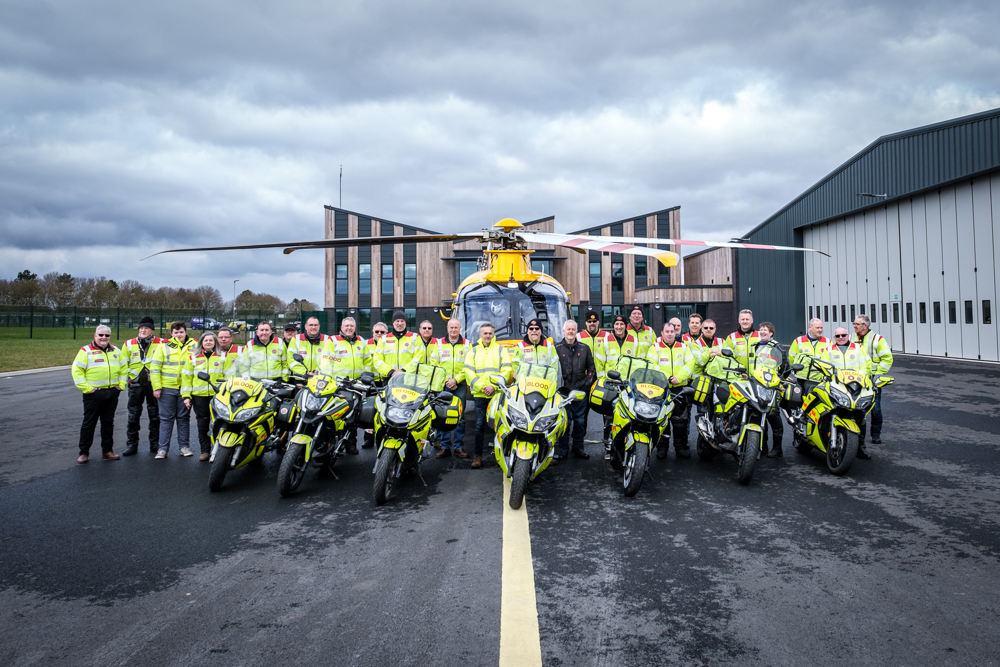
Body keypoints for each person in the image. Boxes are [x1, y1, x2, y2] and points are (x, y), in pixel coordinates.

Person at [71, 325, 127, 463]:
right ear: (95, 335)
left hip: (112, 393)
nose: (104, 338)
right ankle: (84, 453)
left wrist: (121, 385)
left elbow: (124, 368)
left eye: (106, 335)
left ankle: (107, 451)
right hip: (94, 394)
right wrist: (87, 388)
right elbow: (77, 370)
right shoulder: (86, 351)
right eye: (101, 335)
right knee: (89, 423)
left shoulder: (116, 351)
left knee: (108, 423)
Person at [464, 322, 512, 469]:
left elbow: (507, 370)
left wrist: (494, 386)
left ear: (493, 334)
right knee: (479, 425)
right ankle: (478, 456)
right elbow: (468, 371)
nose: (487, 336)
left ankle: (503, 455)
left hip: (497, 394)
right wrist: (483, 387)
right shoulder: (473, 351)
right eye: (485, 333)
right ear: (480, 335)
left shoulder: (501, 350)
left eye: (490, 333)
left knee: (501, 425)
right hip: (480, 394)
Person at [320, 317, 370, 454]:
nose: (349, 328)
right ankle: (333, 443)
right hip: (338, 386)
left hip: (356, 386)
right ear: (341, 327)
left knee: (353, 418)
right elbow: (325, 362)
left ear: (355, 327)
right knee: (336, 415)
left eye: (351, 326)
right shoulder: (333, 340)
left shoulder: (361, 341)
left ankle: (350, 445)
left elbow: (368, 361)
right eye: (346, 326)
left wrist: (367, 378)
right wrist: (330, 382)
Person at [646, 322, 693, 459]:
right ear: (662, 333)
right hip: (660, 389)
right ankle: (662, 448)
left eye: (672, 331)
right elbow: (651, 364)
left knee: (680, 421)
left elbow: (690, 364)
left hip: (679, 388)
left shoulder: (683, 347)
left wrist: (679, 378)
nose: (670, 334)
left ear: (676, 332)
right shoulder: (655, 348)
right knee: (662, 421)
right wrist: (666, 378)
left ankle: (681, 448)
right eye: (667, 331)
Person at [151, 321, 197, 459]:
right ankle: (163, 449)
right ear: (171, 334)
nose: (179, 335)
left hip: (186, 389)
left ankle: (184, 447)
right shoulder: (163, 346)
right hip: (167, 388)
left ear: (186, 332)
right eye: (176, 333)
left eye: (181, 332)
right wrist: (157, 387)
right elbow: (155, 368)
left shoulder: (194, 345)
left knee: (183, 418)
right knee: (166, 419)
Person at [121, 316, 163, 456]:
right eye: (141, 328)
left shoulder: (162, 343)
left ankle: (155, 444)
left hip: (154, 384)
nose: (143, 330)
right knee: (133, 415)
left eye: (146, 328)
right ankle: (132, 444)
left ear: (152, 330)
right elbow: (122, 365)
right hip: (135, 384)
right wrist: (124, 382)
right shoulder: (128, 344)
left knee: (155, 415)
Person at [595, 315, 639, 447]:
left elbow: (639, 362)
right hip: (610, 385)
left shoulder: (634, 341)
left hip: (627, 385)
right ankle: (608, 445)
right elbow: (599, 363)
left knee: (628, 415)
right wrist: (603, 382)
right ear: (613, 326)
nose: (619, 327)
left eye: (621, 324)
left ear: (626, 326)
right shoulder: (606, 340)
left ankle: (624, 444)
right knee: (608, 416)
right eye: (616, 324)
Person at [555, 320, 596, 460]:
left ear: (577, 331)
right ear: (564, 331)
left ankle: (578, 448)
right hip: (563, 391)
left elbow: (591, 369)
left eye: (573, 329)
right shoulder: (557, 348)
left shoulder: (585, 348)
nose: (571, 331)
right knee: (564, 422)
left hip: (579, 391)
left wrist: (585, 387)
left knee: (580, 421)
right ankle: (562, 450)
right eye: (568, 329)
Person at [181, 331, 226, 461]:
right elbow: (186, 378)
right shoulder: (193, 358)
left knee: (219, 423)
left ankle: (219, 451)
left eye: (211, 340)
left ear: (215, 342)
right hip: (199, 396)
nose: (208, 342)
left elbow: (229, 376)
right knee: (203, 423)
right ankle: (205, 451)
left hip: (218, 396)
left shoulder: (223, 356)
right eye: (205, 340)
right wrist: (186, 396)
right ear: (201, 343)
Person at [853, 314, 893, 453]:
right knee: (855, 406)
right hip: (856, 378)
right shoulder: (851, 338)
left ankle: (875, 434)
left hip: (872, 378)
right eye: (854, 323)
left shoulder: (877, 339)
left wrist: (877, 375)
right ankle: (856, 433)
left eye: (857, 324)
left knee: (875, 407)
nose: (854, 326)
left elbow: (887, 358)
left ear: (865, 325)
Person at [434, 318, 471, 459]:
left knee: (460, 417)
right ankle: (444, 447)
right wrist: (447, 381)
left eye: (456, 327)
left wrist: (456, 380)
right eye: (451, 327)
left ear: (460, 328)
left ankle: (458, 447)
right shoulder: (438, 344)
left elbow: (468, 366)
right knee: (443, 416)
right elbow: (434, 365)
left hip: (459, 385)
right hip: (443, 385)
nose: (454, 330)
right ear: (447, 328)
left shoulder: (467, 344)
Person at [752, 322, 789, 458]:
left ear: (771, 333)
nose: (762, 332)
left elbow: (785, 366)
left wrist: (780, 381)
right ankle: (763, 446)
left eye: (765, 330)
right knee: (760, 414)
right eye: (761, 330)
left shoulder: (777, 347)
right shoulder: (756, 346)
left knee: (773, 416)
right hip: (757, 384)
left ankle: (777, 448)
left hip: (772, 386)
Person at [374, 310, 426, 379]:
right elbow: (377, 360)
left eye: (402, 321)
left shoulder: (415, 337)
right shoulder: (383, 339)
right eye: (397, 321)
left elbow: (419, 358)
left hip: (409, 377)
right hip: (389, 378)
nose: (400, 323)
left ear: (405, 322)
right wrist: (390, 372)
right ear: (393, 323)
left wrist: (404, 370)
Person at [362, 322, 389, 448]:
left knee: (384, 410)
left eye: (382, 332)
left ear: (386, 333)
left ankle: (384, 437)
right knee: (369, 411)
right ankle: (368, 437)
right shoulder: (365, 344)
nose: (379, 334)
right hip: (370, 381)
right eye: (376, 331)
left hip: (385, 380)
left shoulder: (389, 344)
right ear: (372, 332)